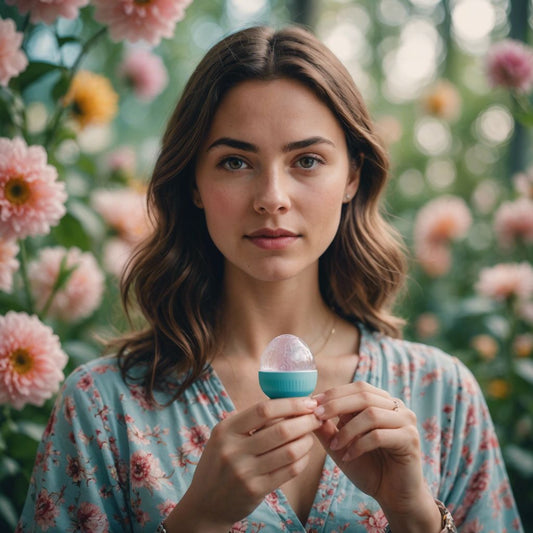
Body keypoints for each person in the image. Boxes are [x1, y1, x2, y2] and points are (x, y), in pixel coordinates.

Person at [17, 25, 523, 533]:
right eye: (235, 161)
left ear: (352, 175)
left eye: (307, 160)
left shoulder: (444, 395)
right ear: (193, 181)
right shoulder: (103, 408)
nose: (272, 197)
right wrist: (196, 523)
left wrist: (418, 519)